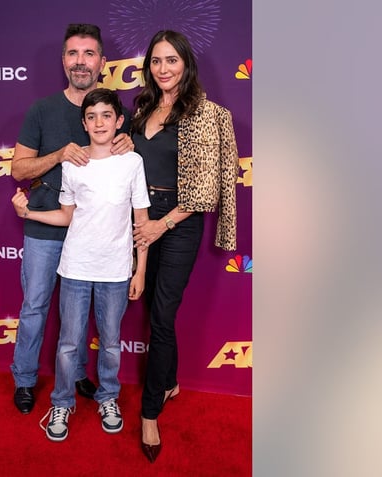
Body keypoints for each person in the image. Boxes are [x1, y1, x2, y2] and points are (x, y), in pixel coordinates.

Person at [8, 23, 135, 415]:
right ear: (64, 60)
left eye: (89, 54)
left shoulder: (117, 115)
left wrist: (128, 141)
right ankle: (25, 379)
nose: (81, 62)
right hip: (47, 226)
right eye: (74, 54)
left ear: (102, 62)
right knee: (36, 305)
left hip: (94, 232)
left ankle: (77, 373)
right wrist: (59, 154)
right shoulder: (42, 110)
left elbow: (128, 169)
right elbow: (18, 170)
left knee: (80, 312)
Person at [11, 88, 150, 441]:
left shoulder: (132, 163)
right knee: (69, 342)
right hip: (74, 268)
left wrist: (140, 269)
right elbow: (67, 217)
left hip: (116, 272)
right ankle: (61, 400)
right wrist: (29, 211)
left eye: (107, 115)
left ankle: (108, 397)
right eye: (92, 116)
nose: (99, 122)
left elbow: (141, 222)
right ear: (83, 124)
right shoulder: (73, 167)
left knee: (112, 342)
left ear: (120, 122)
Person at [129, 30, 239, 463]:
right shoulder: (140, 109)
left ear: (186, 64)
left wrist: (163, 225)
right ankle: (169, 380)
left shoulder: (207, 114)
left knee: (161, 315)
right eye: (156, 61)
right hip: (139, 218)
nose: (164, 68)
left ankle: (150, 412)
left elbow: (207, 188)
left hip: (178, 222)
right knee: (152, 307)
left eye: (171, 60)